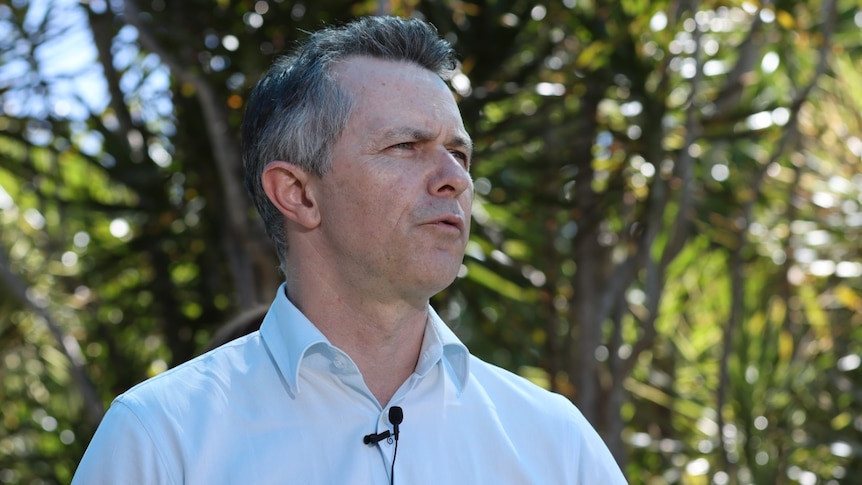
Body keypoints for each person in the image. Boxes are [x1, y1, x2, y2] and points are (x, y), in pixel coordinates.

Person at [72, 16, 627, 484]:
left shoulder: (555, 444)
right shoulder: (161, 440)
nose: (452, 178)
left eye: (459, 153)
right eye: (406, 146)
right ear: (299, 194)